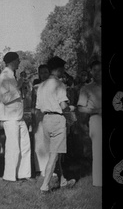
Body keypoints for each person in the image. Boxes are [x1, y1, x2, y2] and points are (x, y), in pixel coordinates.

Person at [35, 56, 77, 193]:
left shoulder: (41, 85)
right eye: (63, 69)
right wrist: (71, 109)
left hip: (45, 120)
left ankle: (63, 180)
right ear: (58, 69)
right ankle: (45, 186)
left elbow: (39, 106)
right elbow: (63, 106)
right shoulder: (59, 84)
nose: (63, 71)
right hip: (57, 119)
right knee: (54, 155)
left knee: (56, 153)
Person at [0, 51, 31, 182]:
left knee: (25, 145)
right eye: (17, 60)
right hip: (10, 117)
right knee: (13, 147)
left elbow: (17, 94)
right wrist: (18, 87)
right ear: (12, 61)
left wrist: (21, 86)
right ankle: (9, 176)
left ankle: (24, 173)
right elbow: (5, 98)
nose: (19, 62)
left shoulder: (12, 75)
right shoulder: (4, 76)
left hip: (18, 116)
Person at [77, 59, 102, 187]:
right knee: (98, 151)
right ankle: (99, 182)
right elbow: (80, 107)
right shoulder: (86, 88)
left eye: (100, 70)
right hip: (96, 119)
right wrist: (96, 110)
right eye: (95, 70)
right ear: (91, 72)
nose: (98, 73)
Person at [31, 64, 50, 177]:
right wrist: (33, 117)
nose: (43, 75)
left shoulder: (53, 86)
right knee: (40, 142)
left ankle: (51, 166)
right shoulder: (36, 87)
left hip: (50, 114)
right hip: (39, 114)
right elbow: (33, 103)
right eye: (41, 73)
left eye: (45, 72)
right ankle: (41, 167)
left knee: (49, 141)